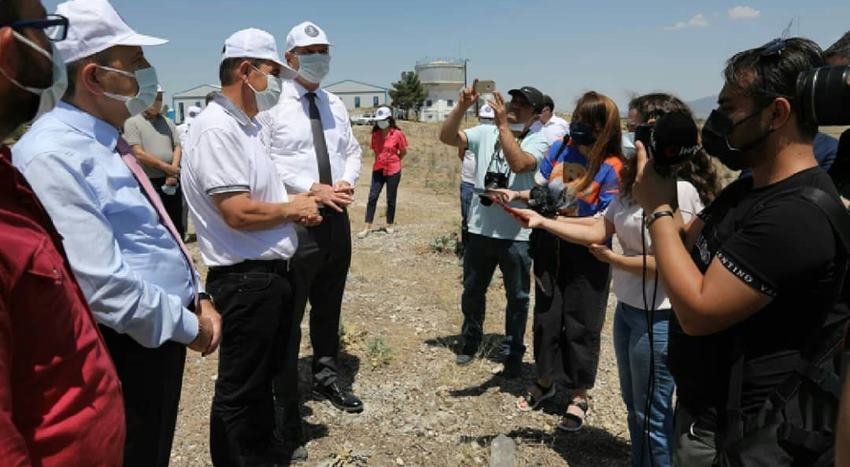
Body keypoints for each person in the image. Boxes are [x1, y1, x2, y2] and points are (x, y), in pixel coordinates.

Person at [11, 1, 222, 466]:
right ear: (94, 77)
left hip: (162, 329)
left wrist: (198, 292)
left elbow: (156, 232)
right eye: (135, 63)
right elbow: (103, 285)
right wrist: (192, 328)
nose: (147, 73)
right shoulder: (54, 154)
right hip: (127, 346)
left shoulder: (107, 141)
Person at [631, 38, 848, 466]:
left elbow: (698, 310)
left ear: (777, 113)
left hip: (743, 433)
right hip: (706, 412)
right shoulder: (750, 188)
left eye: (729, 107)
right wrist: (660, 181)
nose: (718, 120)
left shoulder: (797, 214)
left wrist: (656, 209)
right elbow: (692, 243)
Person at [508, 94, 718, 465]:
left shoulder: (680, 192)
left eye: (638, 129)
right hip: (629, 312)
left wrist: (615, 258)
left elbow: (678, 263)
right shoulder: (633, 186)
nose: (631, 138)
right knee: (635, 408)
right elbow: (597, 225)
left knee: (652, 415)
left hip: (660, 318)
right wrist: (541, 220)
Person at [181, 28, 321, 465]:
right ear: (247, 70)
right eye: (273, 71)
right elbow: (238, 212)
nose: (278, 81)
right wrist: (294, 209)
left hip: (268, 277)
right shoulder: (216, 130)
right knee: (239, 390)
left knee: (261, 381)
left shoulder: (249, 128)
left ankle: (263, 453)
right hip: (245, 281)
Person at [0, 2, 125, 465]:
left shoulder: (8, 181)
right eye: (46, 31)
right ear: (10, 46)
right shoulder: (46, 155)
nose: (54, 53)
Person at [490, 90, 623, 430]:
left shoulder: (613, 167)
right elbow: (540, 193)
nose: (578, 126)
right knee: (547, 317)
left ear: (604, 129)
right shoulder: (559, 148)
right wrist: (516, 195)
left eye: (588, 122)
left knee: (582, 322)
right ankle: (546, 381)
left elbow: (603, 222)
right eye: (577, 117)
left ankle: (578, 393)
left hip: (587, 253)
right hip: (549, 245)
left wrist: (554, 220)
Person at [259, 21, 364, 435]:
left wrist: (346, 181)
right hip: (298, 219)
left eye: (324, 50)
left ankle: (326, 375)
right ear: (290, 59)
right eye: (310, 51)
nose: (319, 58)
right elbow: (265, 159)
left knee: (329, 302)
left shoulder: (335, 104)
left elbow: (351, 150)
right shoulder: (271, 104)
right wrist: (310, 188)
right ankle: (284, 400)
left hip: (336, 219)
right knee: (290, 310)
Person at [438, 81, 549, 377]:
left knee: (518, 297)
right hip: (480, 227)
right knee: (473, 289)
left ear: (537, 113)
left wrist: (502, 125)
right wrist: (462, 106)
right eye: (513, 100)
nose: (515, 106)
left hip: (517, 234)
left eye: (523, 104)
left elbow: (519, 164)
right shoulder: (484, 132)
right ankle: (470, 340)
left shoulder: (538, 140)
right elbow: (447, 137)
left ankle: (513, 351)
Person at [124, 85, 186, 239]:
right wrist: (166, 168)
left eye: (160, 98)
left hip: (171, 179)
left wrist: (173, 170)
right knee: (157, 220)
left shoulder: (167, 121)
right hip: (149, 180)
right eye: (154, 98)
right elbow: (138, 152)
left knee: (176, 218)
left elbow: (177, 146)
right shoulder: (132, 122)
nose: (157, 102)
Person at [358, 105, 408, 238]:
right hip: (378, 169)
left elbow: (403, 152)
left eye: (383, 119)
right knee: (372, 197)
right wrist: (379, 163)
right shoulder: (375, 135)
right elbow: (376, 152)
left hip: (393, 170)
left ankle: (389, 224)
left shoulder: (397, 134)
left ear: (389, 119)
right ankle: (367, 226)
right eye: (378, 120)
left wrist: (395, 161)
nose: (380, 122)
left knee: (391, 199)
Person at [457, 104, 495, 258]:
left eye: (490, 119)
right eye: (485, 118)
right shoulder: (469, 134)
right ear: (479, 118)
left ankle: (486, 253)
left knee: (486, 218)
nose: (487, 121)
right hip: (468, 182)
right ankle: (467, 252)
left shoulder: (498, 136)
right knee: (467, 217)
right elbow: (461, 153)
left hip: (486, 185)